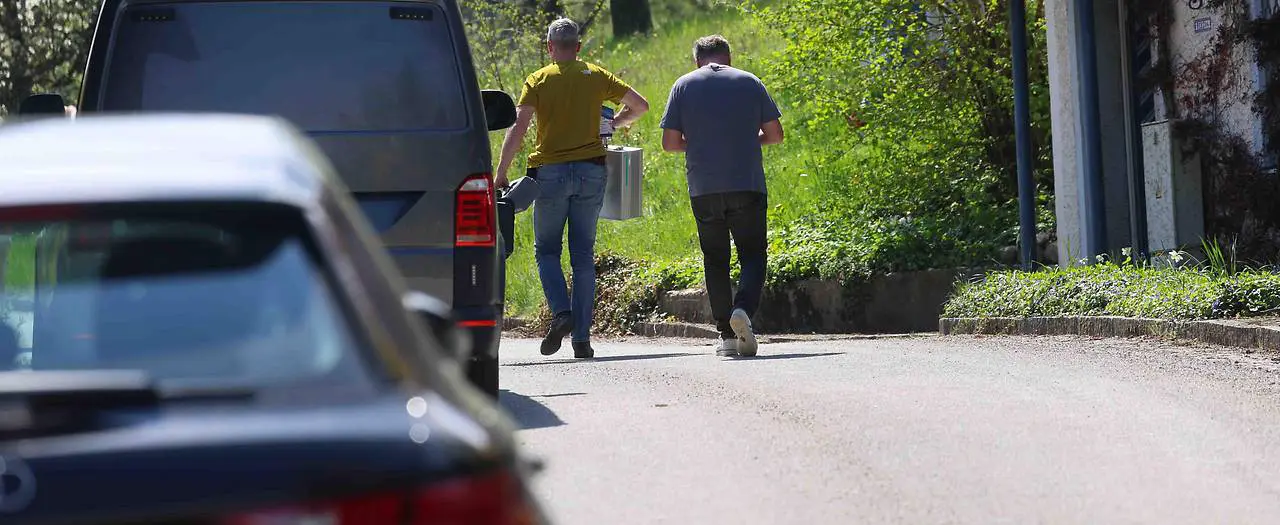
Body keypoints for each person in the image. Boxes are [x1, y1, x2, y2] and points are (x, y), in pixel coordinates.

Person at [496, 17, 649, 359]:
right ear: (578, 47)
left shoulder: (538, 79)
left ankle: (561, 313)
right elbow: (640, 106)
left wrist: (501, 172)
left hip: (548, 175)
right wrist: (615, 123)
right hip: (591, 173)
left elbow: (518, 128)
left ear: (550, 47)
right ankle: (582, 339)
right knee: (582, 257)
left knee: (547, 251)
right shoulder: (595, 75)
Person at [659, 35, 784, 357]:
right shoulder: (749, 81)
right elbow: (775, 135)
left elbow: (670, 143)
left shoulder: (683, 86)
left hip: (704, 188)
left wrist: (702, 143)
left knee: (715, 260)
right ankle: (742, 309)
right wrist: (742, 139)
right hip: (747, 184)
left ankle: (727, 337)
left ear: (696, 59)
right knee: (753, 255)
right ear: (728, 56)